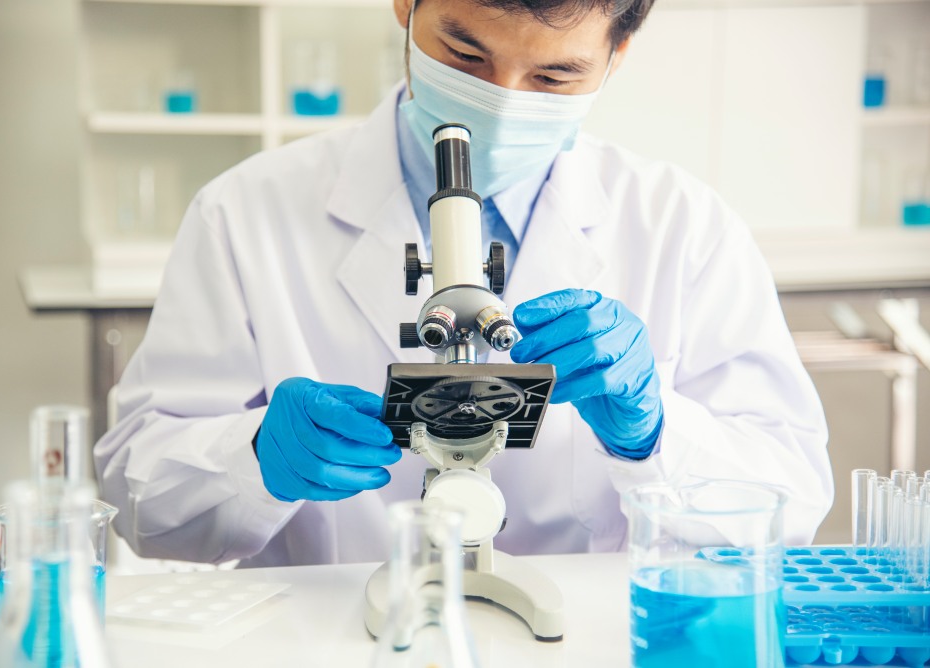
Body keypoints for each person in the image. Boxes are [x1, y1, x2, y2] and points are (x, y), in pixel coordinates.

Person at [94, 0, 833, 566]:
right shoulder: (244, 213)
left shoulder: (683, 227)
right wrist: (255, 459)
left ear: (618, 54)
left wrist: (656, 435)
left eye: (553, 75)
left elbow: (792, 503)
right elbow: (137, 497)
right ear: (404, 4)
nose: (502, 103)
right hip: (332, 639)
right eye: (464, 54)